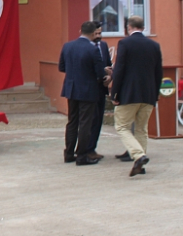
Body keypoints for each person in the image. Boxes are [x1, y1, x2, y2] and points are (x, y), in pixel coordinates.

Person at [110, 16, 163, 177]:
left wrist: (114, 93)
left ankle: (138, 156)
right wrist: (155, 94)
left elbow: (119, 70)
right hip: (148, 94)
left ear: (128, 27)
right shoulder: (154, 45)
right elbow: (158, 72)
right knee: (141, 128)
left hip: (129, 93)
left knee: (122, 126)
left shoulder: (125, 43)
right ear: (143, 27)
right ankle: (140, 164)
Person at [58, 21, 105, 166]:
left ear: (80, 31)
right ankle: (82, 155)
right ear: (93, 33)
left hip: (71, 88)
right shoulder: (93, 49)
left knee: (72, 121)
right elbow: (99, 73)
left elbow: (62, 67)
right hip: (88, 90)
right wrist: (105, 74)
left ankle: (69, 153)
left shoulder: (67, 46)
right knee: (85, 123)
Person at [86, 23, 112, 159]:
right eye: (95, 34)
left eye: (100, 33)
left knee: (98, 120)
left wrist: (109, 76)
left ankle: (92, 148)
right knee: (89, 120)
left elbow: (108, 65)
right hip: (89, 89)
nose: (98, 36)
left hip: (102, 88)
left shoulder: (103, 45)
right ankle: (85, 149)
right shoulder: (84, 47)